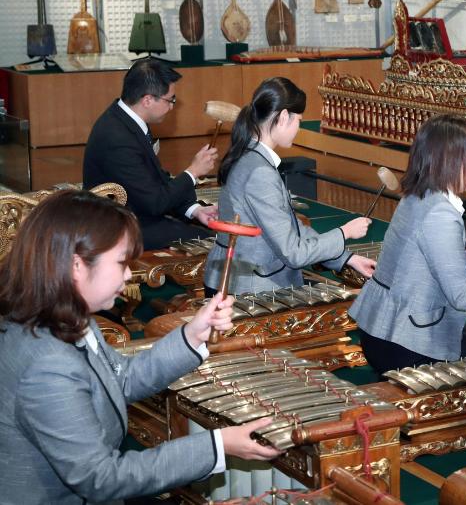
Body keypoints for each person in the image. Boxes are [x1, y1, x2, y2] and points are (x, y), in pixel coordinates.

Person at [0, 190, 281, 504]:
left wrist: (192, 333)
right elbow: (101, 478)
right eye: (121, 263)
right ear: (77, 265)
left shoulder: (67, 313)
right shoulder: (46, 365)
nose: (130, 274)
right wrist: (217, 445)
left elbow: (119, 379)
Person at [348, 113, 466, 376]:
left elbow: (453, 271)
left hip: (380, 331)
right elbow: (462, 294)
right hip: (405, 344)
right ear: (451, 161)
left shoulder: (416, 196)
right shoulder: (440, 214)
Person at [203, 78, 375, 294]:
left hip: (233, 279)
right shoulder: (260, 172)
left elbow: (290, 228)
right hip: (249, 289)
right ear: (284, 117)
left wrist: (346, 258)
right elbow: (294, 253)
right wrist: (345, 232)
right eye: (299, 121)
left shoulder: (247, 154)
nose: (298, 128)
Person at [83, 57, 219, 250]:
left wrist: (194, 210)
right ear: (147, 100)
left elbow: (155, 181)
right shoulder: (117, 138)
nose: (172, 106)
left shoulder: (126, 119)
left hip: (139, 211)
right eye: (170, 100)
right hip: (118, 227)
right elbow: (156, 202)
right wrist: (193, 172)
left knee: (206, 229)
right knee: (213, 242)